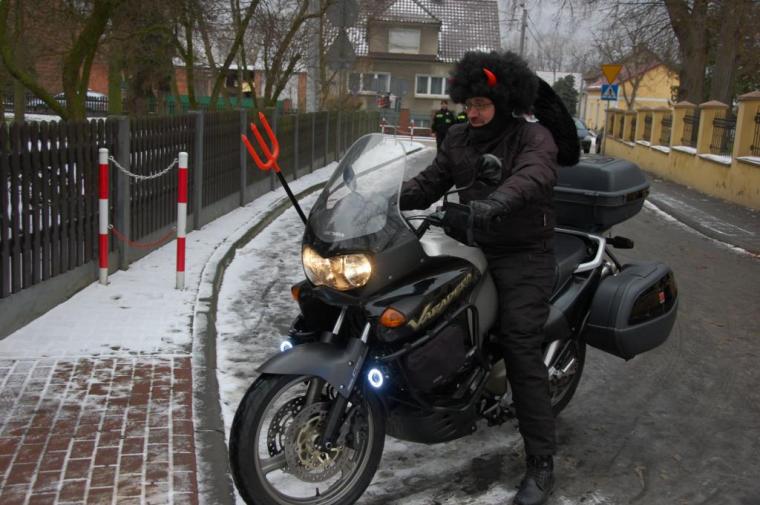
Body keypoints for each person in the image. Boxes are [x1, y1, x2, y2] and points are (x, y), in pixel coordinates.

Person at [400, 51, 579, 505]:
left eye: (482, 105)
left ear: (504, 101)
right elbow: (432, 180)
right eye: (470, 104)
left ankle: (541, 463)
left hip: (523, 252)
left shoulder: (532, 136)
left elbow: (533, 176)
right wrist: (385, 198)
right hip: (471, 242)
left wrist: (494, 203)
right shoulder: (458, 137)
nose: (473, 113)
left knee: (520, 343)